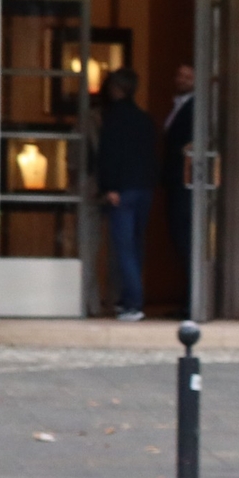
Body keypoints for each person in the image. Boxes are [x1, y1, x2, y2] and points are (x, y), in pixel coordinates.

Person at [94, 69, 158, 320]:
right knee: (136, 245)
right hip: (144, 189)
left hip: (122, 191)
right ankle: (127, 300)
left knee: (124, 249)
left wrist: (109, 187)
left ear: (115, 89)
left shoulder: (113, 119)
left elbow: (108, 156)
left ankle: (133, 303)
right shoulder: (144, 119)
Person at [161, 62, 196, 309]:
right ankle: (188, 299)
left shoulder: (197, 107)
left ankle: (193, 301)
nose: (182, 79)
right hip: (175, 182)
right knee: (179, 240)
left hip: (188, 184)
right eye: (179, 74)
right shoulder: (179, 105)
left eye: (187, 76)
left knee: (186, 241)